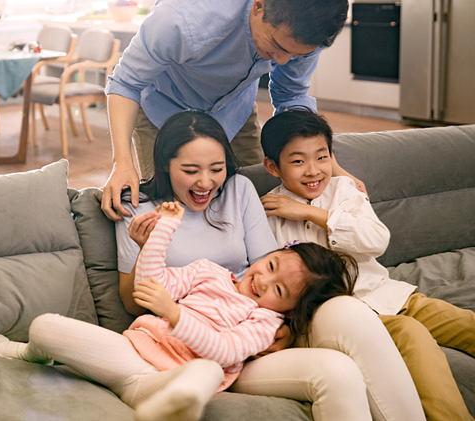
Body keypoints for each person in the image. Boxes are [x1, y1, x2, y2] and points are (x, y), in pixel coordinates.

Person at [117, 110, 425, 421]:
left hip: (259, 329)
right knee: (336, 372)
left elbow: (272, 265)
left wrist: (286, 327)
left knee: (348, 309)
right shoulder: (137, 209)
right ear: (165, 164)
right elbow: (133, 303)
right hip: (203, 346)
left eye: (217, 168)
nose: (206, 182)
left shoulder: (238, 190)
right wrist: (146, 248)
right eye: (190, 170)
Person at [0, 197, 356, 421]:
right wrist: (164, 229)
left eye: (279, 290)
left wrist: (176, 315)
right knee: (46, 325)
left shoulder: (264, 321)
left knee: (210, 368)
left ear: (290, 309)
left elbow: (226, 351)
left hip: (170, 379)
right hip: (129, 354)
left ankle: (176, 408)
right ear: (270, 254)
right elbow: (151, 285)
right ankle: (31, 353)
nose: (263, 280)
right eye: (271, 265)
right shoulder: (209, 271)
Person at [101, 0, 361, 223]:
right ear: (258, 7)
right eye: (277, 46)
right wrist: (122, 163)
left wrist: (330, 165)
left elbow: (292, 96)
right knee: (171, 206)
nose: (282, 61)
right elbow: (126, 83)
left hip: (234, 106)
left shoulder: (309, 29)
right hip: (164, 106)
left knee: (259, 191)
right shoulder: (179, 20)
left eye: (295, 55)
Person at [260, 109, 475, 421]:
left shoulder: (344, 190)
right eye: (297, 161)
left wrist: (311, 214)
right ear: (272, 166)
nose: (313, 170)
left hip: (391, 296)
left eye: (321, 157)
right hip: (350, 319)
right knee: (411, 334)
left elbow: (376, 240)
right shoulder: (269, 213)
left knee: (467, 324)